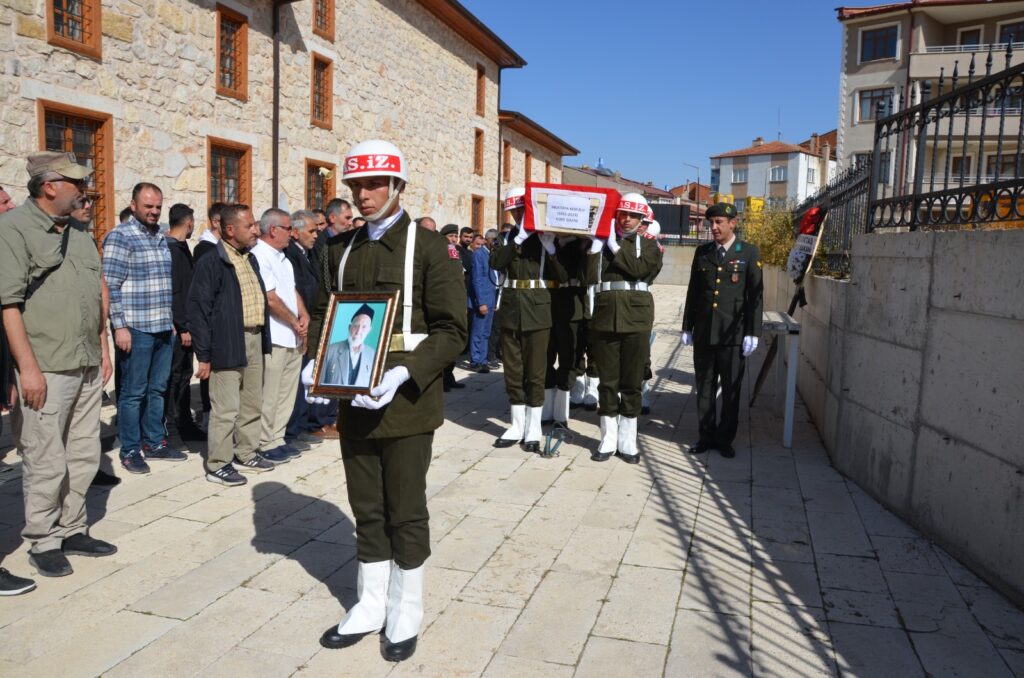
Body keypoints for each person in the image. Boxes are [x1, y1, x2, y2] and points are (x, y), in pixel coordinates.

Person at [309, 139, 466, 662]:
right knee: (366, 505)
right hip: (353, 398)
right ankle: (371, 603)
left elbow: (452, 329)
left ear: (398, 186)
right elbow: (325, 313)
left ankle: (406, 607)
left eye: (374, 184)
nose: (363, 195)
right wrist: (316, 361)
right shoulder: (337, 249)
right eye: (356, 185)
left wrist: (404, 373)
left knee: (405, 507)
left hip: (407, 402)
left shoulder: (429, 248)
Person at [0, 151, 117, 580]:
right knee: (46, 458)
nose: (85, 191)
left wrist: (102, 348)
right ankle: (44, 539)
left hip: (85, 362)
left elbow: (93, 295)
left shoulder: (80, 233)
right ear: (49, 187)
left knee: (83, 452)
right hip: (46, 365)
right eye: (77, 183)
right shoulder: (13, 230)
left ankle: (72, 528)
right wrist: (27, 368)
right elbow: (8, 305)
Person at [188, 204, 275, 486]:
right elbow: (198, 310)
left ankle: (246, 452)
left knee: (252, 403)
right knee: (225, 408)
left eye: (255, 224)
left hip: (254, 338)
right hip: (226, 342)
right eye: (249, 226)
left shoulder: (250, 258)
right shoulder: (212, 261)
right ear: (229, 229)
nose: (256, 230)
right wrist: (204, 354)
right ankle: (218, 464)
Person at [103, 182, 185, 474]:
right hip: (136, 328)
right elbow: (110, 286)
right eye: (148, 206)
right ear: (134, 205)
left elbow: (163, 285)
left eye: (158, 207)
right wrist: (119, 327)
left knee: (158, 389)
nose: (153, 211)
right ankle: (130, 449)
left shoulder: (160, 238)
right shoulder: (120, 236)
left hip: (162, 327)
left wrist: (170, 322)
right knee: (133, 392)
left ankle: (154, 442)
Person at [586, 192, 663, 464]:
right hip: (605, 316)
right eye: (622, 214)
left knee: (631, 381)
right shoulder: (601, 244)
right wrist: (595, 249)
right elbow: (587, 276)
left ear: (642, 219)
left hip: (636, 318)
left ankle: (628, 441)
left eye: (633, 215)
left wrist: (615, 246)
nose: (626, 219)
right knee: (607, 381)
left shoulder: (650, 246)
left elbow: (639, 270)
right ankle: (608, 439)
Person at [682, 202, 763, 458]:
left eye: (719, 222)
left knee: (730, 390)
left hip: (732, 334)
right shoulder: (703, 252)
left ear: (732, 223)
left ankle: (725, 438)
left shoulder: (748, 252)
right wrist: (687, 326)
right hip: (705, 333)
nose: (714, 227)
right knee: (705, 387)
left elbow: (755, 296)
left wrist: (753, 332)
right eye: (711, 223)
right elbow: (694, 292)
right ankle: (706, 436)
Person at [490, 186, 566, 452]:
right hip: (511, 309)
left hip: (538, 308)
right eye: (514, 211)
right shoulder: (506, 238)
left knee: (535, 371)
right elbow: (496, 263)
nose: (518, 215)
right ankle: (516, 425)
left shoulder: (546, 236)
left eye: (521, 210)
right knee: (512, 370)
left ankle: (534, 427)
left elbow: (563, 275)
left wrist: (551, 250)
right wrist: (518, 239)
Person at [252, 209, 308, 464]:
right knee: (270, 393)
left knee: (286, 392)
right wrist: (295, 322)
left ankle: (277, 437)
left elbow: (291, 290)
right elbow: (271, 298)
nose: (292, 234)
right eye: (288, 228)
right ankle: (264, 441)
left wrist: (303, 314)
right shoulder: (260, 255)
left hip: (291, 334)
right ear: (273, 230)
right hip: (275, 335)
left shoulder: (284, 258)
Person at [164, 204, 205, 443]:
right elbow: (176, 292)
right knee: (175, 377)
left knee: (184, 376)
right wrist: (183, 327)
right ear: (189, 222)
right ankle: (172, 428)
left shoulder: (181, 248)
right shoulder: (172, 250)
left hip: (186, 325)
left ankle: (185, 423)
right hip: (179, 328)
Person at [542, 234, 589, 428]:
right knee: (545, 357)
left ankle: (561, 411)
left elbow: (574, 273)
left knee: (568, 359)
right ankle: (546, 407)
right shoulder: (545, 241)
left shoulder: (582, 244)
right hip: (546, 305)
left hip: (572, 308)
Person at [283, 210, 321, 448]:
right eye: (311, 231)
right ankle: (291, 431)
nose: (316, 235)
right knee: (295, 382)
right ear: (295, 233)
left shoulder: (307, 254)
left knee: (305, 378)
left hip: (311, 323)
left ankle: (301, 424)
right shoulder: (290, 255)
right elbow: (295, 290)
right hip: (298, 326)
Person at [193, 202, 226, 420]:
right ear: (216, 222)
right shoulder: (205, 250)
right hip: (212, 319)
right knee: (209, 368)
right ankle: (207, 414)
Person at [321, 304, 377, 387]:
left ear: (369, 331)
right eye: (356, 326)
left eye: (364, 327)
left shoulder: (373, 355)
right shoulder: (330, 350)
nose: (358, 332)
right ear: (349, 327)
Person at [438, 224, 465, 391]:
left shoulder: (455, 252)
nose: (454, 239)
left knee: (454, 341)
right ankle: (441, 379)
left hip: (456, 299)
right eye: (451, 236)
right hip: (443, 299)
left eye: (456, 236)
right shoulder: (438, 251)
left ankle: (449, 376)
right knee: (443, 343)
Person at [468, 229, 499, 373]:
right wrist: (481, 302)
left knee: (486, 332)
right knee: (478, 331)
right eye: (494, 240)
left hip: (492, 297)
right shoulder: (479, 254)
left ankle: (483, 359)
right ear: (487, 240)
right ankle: (475, 360)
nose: (496, 242)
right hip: (483, 298)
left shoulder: (493, 254)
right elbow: (477, 279)